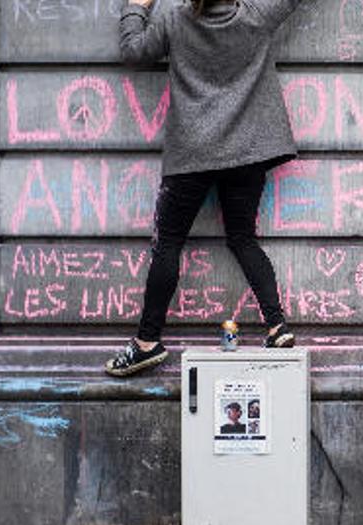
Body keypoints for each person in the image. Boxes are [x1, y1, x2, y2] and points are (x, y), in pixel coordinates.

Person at [106, 0, 302, 377]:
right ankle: (277, 326)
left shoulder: (174, 21)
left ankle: (147, 342)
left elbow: (134, 51)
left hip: (192, 154)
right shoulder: (257, 15)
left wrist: (135, 6)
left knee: (169, 244)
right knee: (243, 238)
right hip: (248, 152)